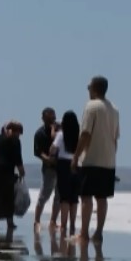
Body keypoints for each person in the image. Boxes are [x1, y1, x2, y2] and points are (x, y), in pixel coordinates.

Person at [75, 77, 121, 246]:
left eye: (89, 88)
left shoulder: (91, 107)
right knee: (102, 198)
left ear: (94, 89)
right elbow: (115, 137)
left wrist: (75, 157)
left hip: (91, 159)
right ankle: (99, 232)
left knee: (86, 197)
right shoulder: (114, 109)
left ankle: (84, 233)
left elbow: (85, 134)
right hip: (108, 160)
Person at [0, 120, 25, 235]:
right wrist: (22, 172)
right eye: (19, 132)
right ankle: (10, 222)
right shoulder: (15, 141)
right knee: (8, 196)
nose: (20, 135)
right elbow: (18, 159)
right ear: (16, 131)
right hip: (5, 171)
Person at [50, 102, 80, 237]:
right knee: (74, 197)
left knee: (64, 198)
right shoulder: (79, 135)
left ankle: (64, 224)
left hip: (63, 165)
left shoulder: (61, 135)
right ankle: (73, 225)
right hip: (77, 164)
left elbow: (53, 149)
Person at [31, 108, 59, 225]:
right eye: (48, 118)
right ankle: (37, 219)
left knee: (59, 195)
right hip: (48, 168)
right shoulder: (39, 133)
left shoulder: (60, 131)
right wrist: (46, 159)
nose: (51, 120)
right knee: (45, 194)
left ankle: (53, 220)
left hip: (61, 167)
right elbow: (37, 151)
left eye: (52, 118)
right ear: (43, 119)